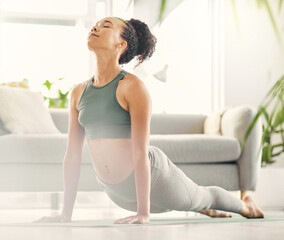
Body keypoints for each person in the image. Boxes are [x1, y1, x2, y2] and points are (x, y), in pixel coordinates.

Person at [34, 16, 264, 225]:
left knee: (205, 196)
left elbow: (140, 152)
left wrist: (143, 213)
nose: (96, 27)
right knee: (192, 199)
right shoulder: (78, 92)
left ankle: (247, 206)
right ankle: (198, 204)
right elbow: (72, 156)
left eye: (106, 26)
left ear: (120, 45)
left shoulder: (132, 87)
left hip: (155, 178)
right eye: (96, 24)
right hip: (118, 192)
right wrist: (66, 213)